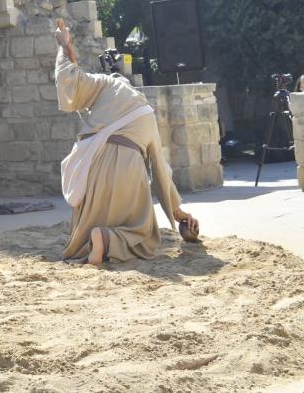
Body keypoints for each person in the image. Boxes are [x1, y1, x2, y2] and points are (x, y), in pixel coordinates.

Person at [55, 22, 199, 265]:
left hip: (94, 168)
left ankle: (93, 240)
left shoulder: (103, 84)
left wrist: (64, 46)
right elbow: (160, 170)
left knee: (85, 226)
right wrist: (178, 212)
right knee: (143, 234)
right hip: (130, 172)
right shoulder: (146, 111)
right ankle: (107, 238)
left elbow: (70, 79)